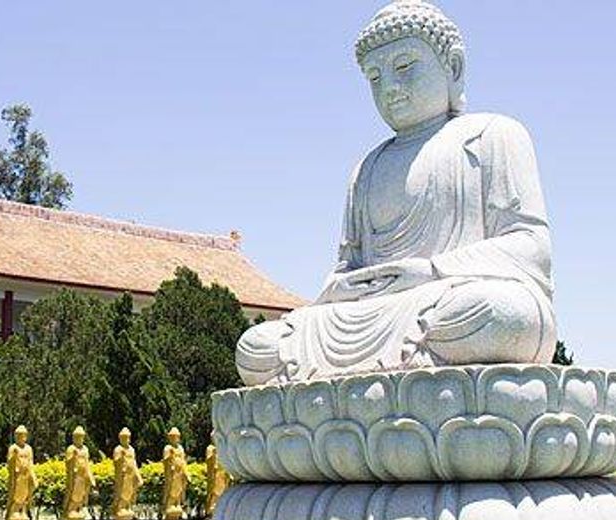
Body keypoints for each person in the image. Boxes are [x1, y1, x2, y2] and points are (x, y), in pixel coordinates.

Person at [236, 1, 556, 386]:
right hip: (372, 316)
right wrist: (340, 287)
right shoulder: (368, 167)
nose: (389, 88)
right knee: (258, 348)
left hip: (448, 301)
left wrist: (433, 271)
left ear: (452, 67)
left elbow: (531, 245)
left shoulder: (492, 135)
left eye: (404, 68)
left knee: (502, 314)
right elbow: (348, 266)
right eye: (374, 78)